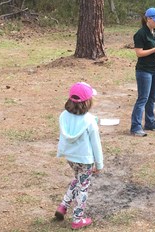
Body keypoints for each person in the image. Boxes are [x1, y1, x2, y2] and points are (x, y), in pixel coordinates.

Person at [55, 82, 104, 229]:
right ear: (88, 102)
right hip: (85, 160)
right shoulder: (89, 121)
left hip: (71, 157)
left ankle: (63, 205)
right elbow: (96, 144)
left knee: (78, 180)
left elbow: (75, 122)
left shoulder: (63, 116)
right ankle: (77, 219)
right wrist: (99, 164)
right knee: (83, 187)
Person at [130, 7, 155, 137]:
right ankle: (136, 126)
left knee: (152, 98)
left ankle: (150, 123)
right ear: (148, 19)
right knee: (143, 98)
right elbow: (139, 53)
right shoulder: (140, 34)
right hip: (144, 71)